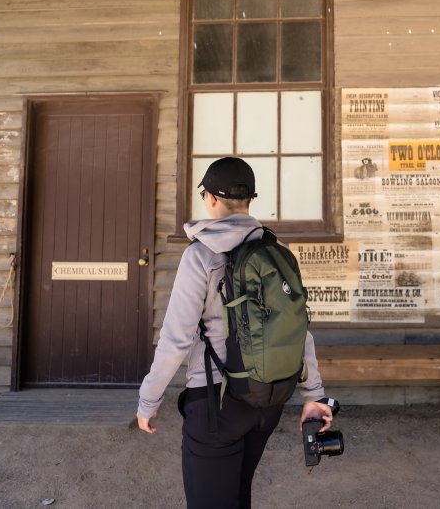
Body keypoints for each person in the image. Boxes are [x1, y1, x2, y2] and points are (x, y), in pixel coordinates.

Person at [136, 156, 334, 508]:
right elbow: (298, 328)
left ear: (209, 198)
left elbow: (177, 337)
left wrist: (149, 400)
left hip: (217, 403)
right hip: (269, 399)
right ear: (250, 201)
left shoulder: (200, 255)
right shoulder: (278, 252)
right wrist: (313, 395)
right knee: (238, 495)